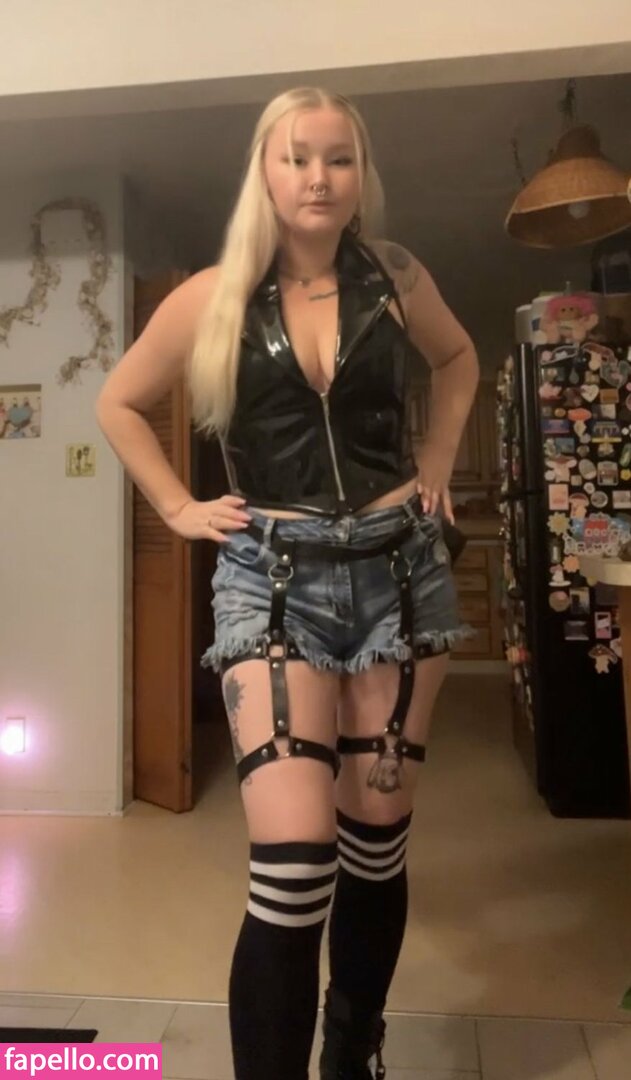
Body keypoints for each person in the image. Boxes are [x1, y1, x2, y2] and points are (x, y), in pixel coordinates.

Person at [96, 86, 479, 1080]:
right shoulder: (212, 294)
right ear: (263, 173)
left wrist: (439, 455)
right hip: (270, 580)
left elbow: (456, 357)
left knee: (376, 840)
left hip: (400, 574)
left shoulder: (396, 275)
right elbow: (120, 401)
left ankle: (350, 1051)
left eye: (338, 158)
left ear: (360, 175)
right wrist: (178, 507)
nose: (318, 177)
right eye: (297, 157)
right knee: (295, 862)